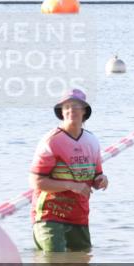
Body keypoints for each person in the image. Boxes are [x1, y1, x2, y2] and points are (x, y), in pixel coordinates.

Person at [29, 89, 108, 252]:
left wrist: (101, 180)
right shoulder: (51, 141)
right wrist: (72, 185)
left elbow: (96, 176)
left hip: (79, 216)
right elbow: (36, 181)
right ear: (62, 112)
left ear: (84, 111)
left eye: (76, 106)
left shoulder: (92, 141)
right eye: (67, 106)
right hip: (49, 215)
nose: (71, 110)